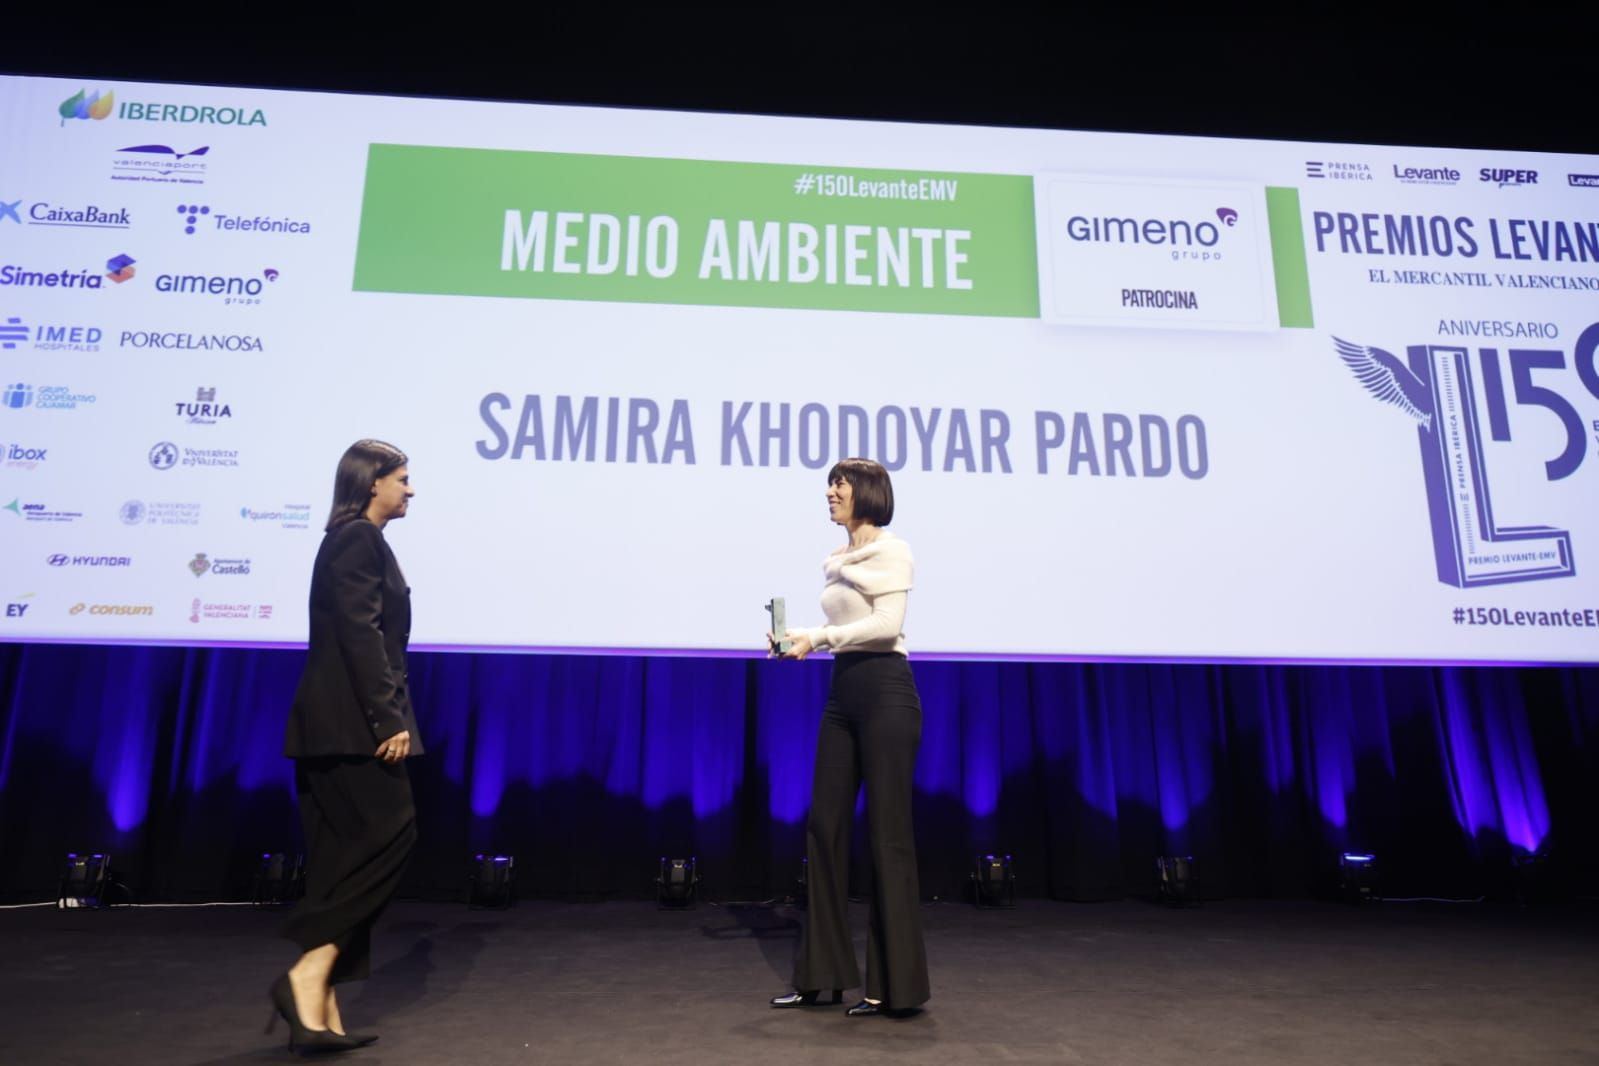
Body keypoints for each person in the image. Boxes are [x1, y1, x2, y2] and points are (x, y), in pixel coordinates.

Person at [271, 439, 420, 1053]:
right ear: (372, 483)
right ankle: (307, 970)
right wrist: (387, 720)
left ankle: (317, 1007)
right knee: (395, 833)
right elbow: (362, 637)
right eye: (403, 479)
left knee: (338, 862)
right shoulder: (358, 539)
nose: (410, 490)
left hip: (333, 725)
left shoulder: (355, 541)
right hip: (351, 727)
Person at [769, 457, 930, 1017]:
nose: (831, 493)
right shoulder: (835, 558)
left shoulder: (894, 549)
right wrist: (800, 637)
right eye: (830, 485)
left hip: (887, 694)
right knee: (825, 825)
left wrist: (819, 636)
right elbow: (843, 628)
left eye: (839, 484)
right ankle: (823, 975)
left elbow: (885, 627)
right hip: (844, 695)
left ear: (867, 492)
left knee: (887, 837)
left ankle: (894, 987)